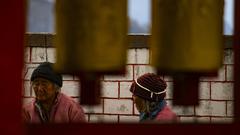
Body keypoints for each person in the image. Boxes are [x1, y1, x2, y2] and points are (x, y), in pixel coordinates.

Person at [22, 62, 86, 123]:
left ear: (56, 87)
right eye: (36, 83)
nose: (39, 89)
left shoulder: (72, 109)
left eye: (44, 84)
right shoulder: (27, 111)